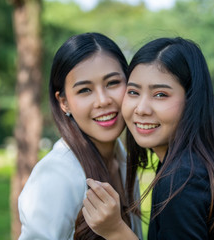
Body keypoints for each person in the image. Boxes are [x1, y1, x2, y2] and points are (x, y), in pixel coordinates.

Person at [82, 37, 214, 240]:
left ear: (191, 101)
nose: (141, 109)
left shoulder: (182, 180)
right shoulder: (196, 162)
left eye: (160, 95)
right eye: (133, 92)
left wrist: (115, 231)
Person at [18, 32, 142, 240]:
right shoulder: (57, 174)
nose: (103, 101)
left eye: (112, 83)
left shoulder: (122, 160)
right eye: (85, 90)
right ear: (64, 102)